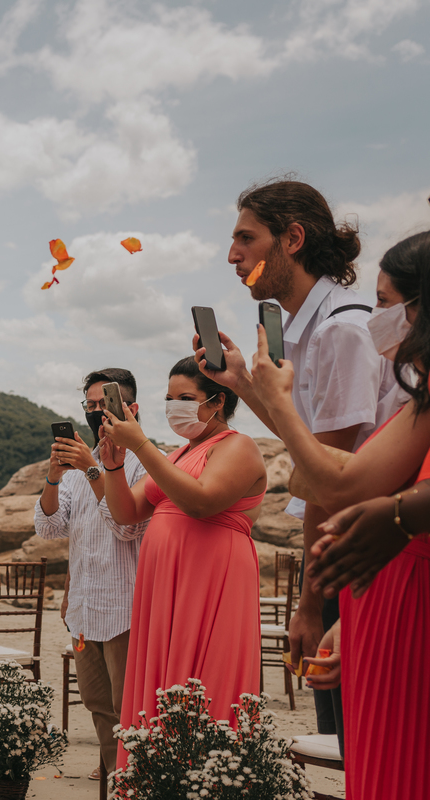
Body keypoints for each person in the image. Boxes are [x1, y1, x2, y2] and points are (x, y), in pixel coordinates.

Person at [194, 179, 398, 745]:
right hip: (346, 547)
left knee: (355, 737)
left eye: (245, 238)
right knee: (343, 739)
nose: (233, 255)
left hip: (359, 553)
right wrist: (239, 380)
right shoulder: (307, 330)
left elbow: (325, 475)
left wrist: (311, 603)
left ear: (293, 238)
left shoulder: (341, 332)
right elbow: (303, 436)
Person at [250, 230, 430, 799]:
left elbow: (338, 480)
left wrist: (278, 403)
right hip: (380, 617)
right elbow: (337, 476)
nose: (375, 317)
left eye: (384, 302)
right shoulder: (423, 401)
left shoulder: (342, 336)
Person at [101, 357, 266, 767]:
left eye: (186, 398)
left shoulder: (238, 446)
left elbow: (200, 501)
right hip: (164, 589)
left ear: (217, 401)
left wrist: (141, 445)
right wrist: (114, 464)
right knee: (160, 685)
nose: (175, 406)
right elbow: (125, 512)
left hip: (212, 581)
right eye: (170, 398)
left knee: (206, 683)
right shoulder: (176, 456)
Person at [35, 368, 149, 782]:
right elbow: (50, 528)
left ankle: (136, 781)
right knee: (97, 704)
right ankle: (119, 778)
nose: (96, 413)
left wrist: (92, 469)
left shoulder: (145, 463)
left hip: (126, 607)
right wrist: (53, 475)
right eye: (91, 405)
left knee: (127, 707)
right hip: (84, 606)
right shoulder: (81, 465)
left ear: (131, 409)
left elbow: (127, 526)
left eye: (106, 405)